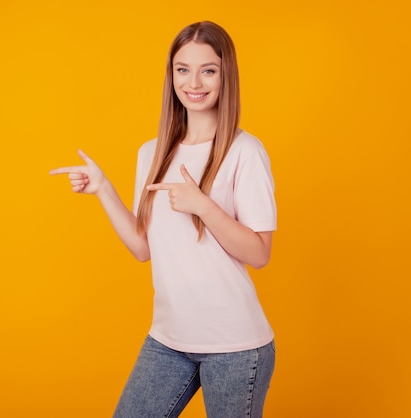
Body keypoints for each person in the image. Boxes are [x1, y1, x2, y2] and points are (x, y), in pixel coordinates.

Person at [51, 21, 277, 418]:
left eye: (208, 70)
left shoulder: (246, 152)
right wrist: (104, 189)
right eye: (182, 69)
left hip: (235, 347)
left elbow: (259, 253)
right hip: (169, 340)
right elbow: (142, 248)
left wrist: (204, 205)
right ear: (171, 75)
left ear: (226, 76)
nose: (194, 82)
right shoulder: (152, 153)